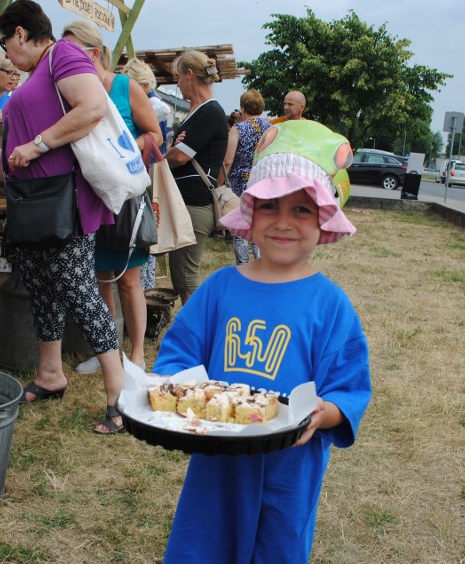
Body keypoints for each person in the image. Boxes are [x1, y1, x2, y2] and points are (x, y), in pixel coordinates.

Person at [154, 120, 372, 563]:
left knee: (278, 545)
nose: (283, 223)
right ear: (250, 214)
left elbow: (348, 388)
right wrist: (171, 388)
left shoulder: (329, 305)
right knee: (205, 540)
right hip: (218, 455)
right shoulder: (220, 288)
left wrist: (322, 412)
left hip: (290, 463)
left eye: (301, 210)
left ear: (324, 220)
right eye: (270, 206)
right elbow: (179, 351)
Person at [0, 0, 125, 434]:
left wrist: (37, 146)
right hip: (33, 200)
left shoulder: (63, 54)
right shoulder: (38, 73)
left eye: (4, 42)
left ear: (19, 33)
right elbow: (22, 135)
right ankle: (51, 375)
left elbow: (90, 108)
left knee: (79, 292)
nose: (6, 54)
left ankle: (119, 394)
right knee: (41, 287)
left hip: (63, 200)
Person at [61, 20, 162, 382]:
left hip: (125, 202)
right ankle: (109, 350)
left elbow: (155, 136)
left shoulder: (125, 87)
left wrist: (123, 150)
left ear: (94, 52)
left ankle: (136, 355)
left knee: (129, 280)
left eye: (72, 50)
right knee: (99, 278)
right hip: (89, 199)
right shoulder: (68, 90)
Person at [164, 50, 229, 303]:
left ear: (189, 75)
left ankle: (196, 336)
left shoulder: (209, 112)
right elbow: (177, 153)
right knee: (181, 275)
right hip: (188, 203)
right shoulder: (201, 111)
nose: (177, 84)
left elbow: (179, 157)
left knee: (187, 276)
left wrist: (164, 155)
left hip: (195, 205)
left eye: (178, 78)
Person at [122, 56, 167, 290]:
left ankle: (145, 290)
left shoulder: (154, 105)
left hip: (143, 174)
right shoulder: (154, 105)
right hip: (146, 172)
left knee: (141, 232)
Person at [222, 89, 271, 264]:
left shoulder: (238, 129)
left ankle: (243, 266)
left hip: (240, 183)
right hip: (263, 182)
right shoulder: (271, 129)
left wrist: (221, 182)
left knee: (240, 228)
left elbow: (228, 160)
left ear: (242, 108)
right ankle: (262, 263)